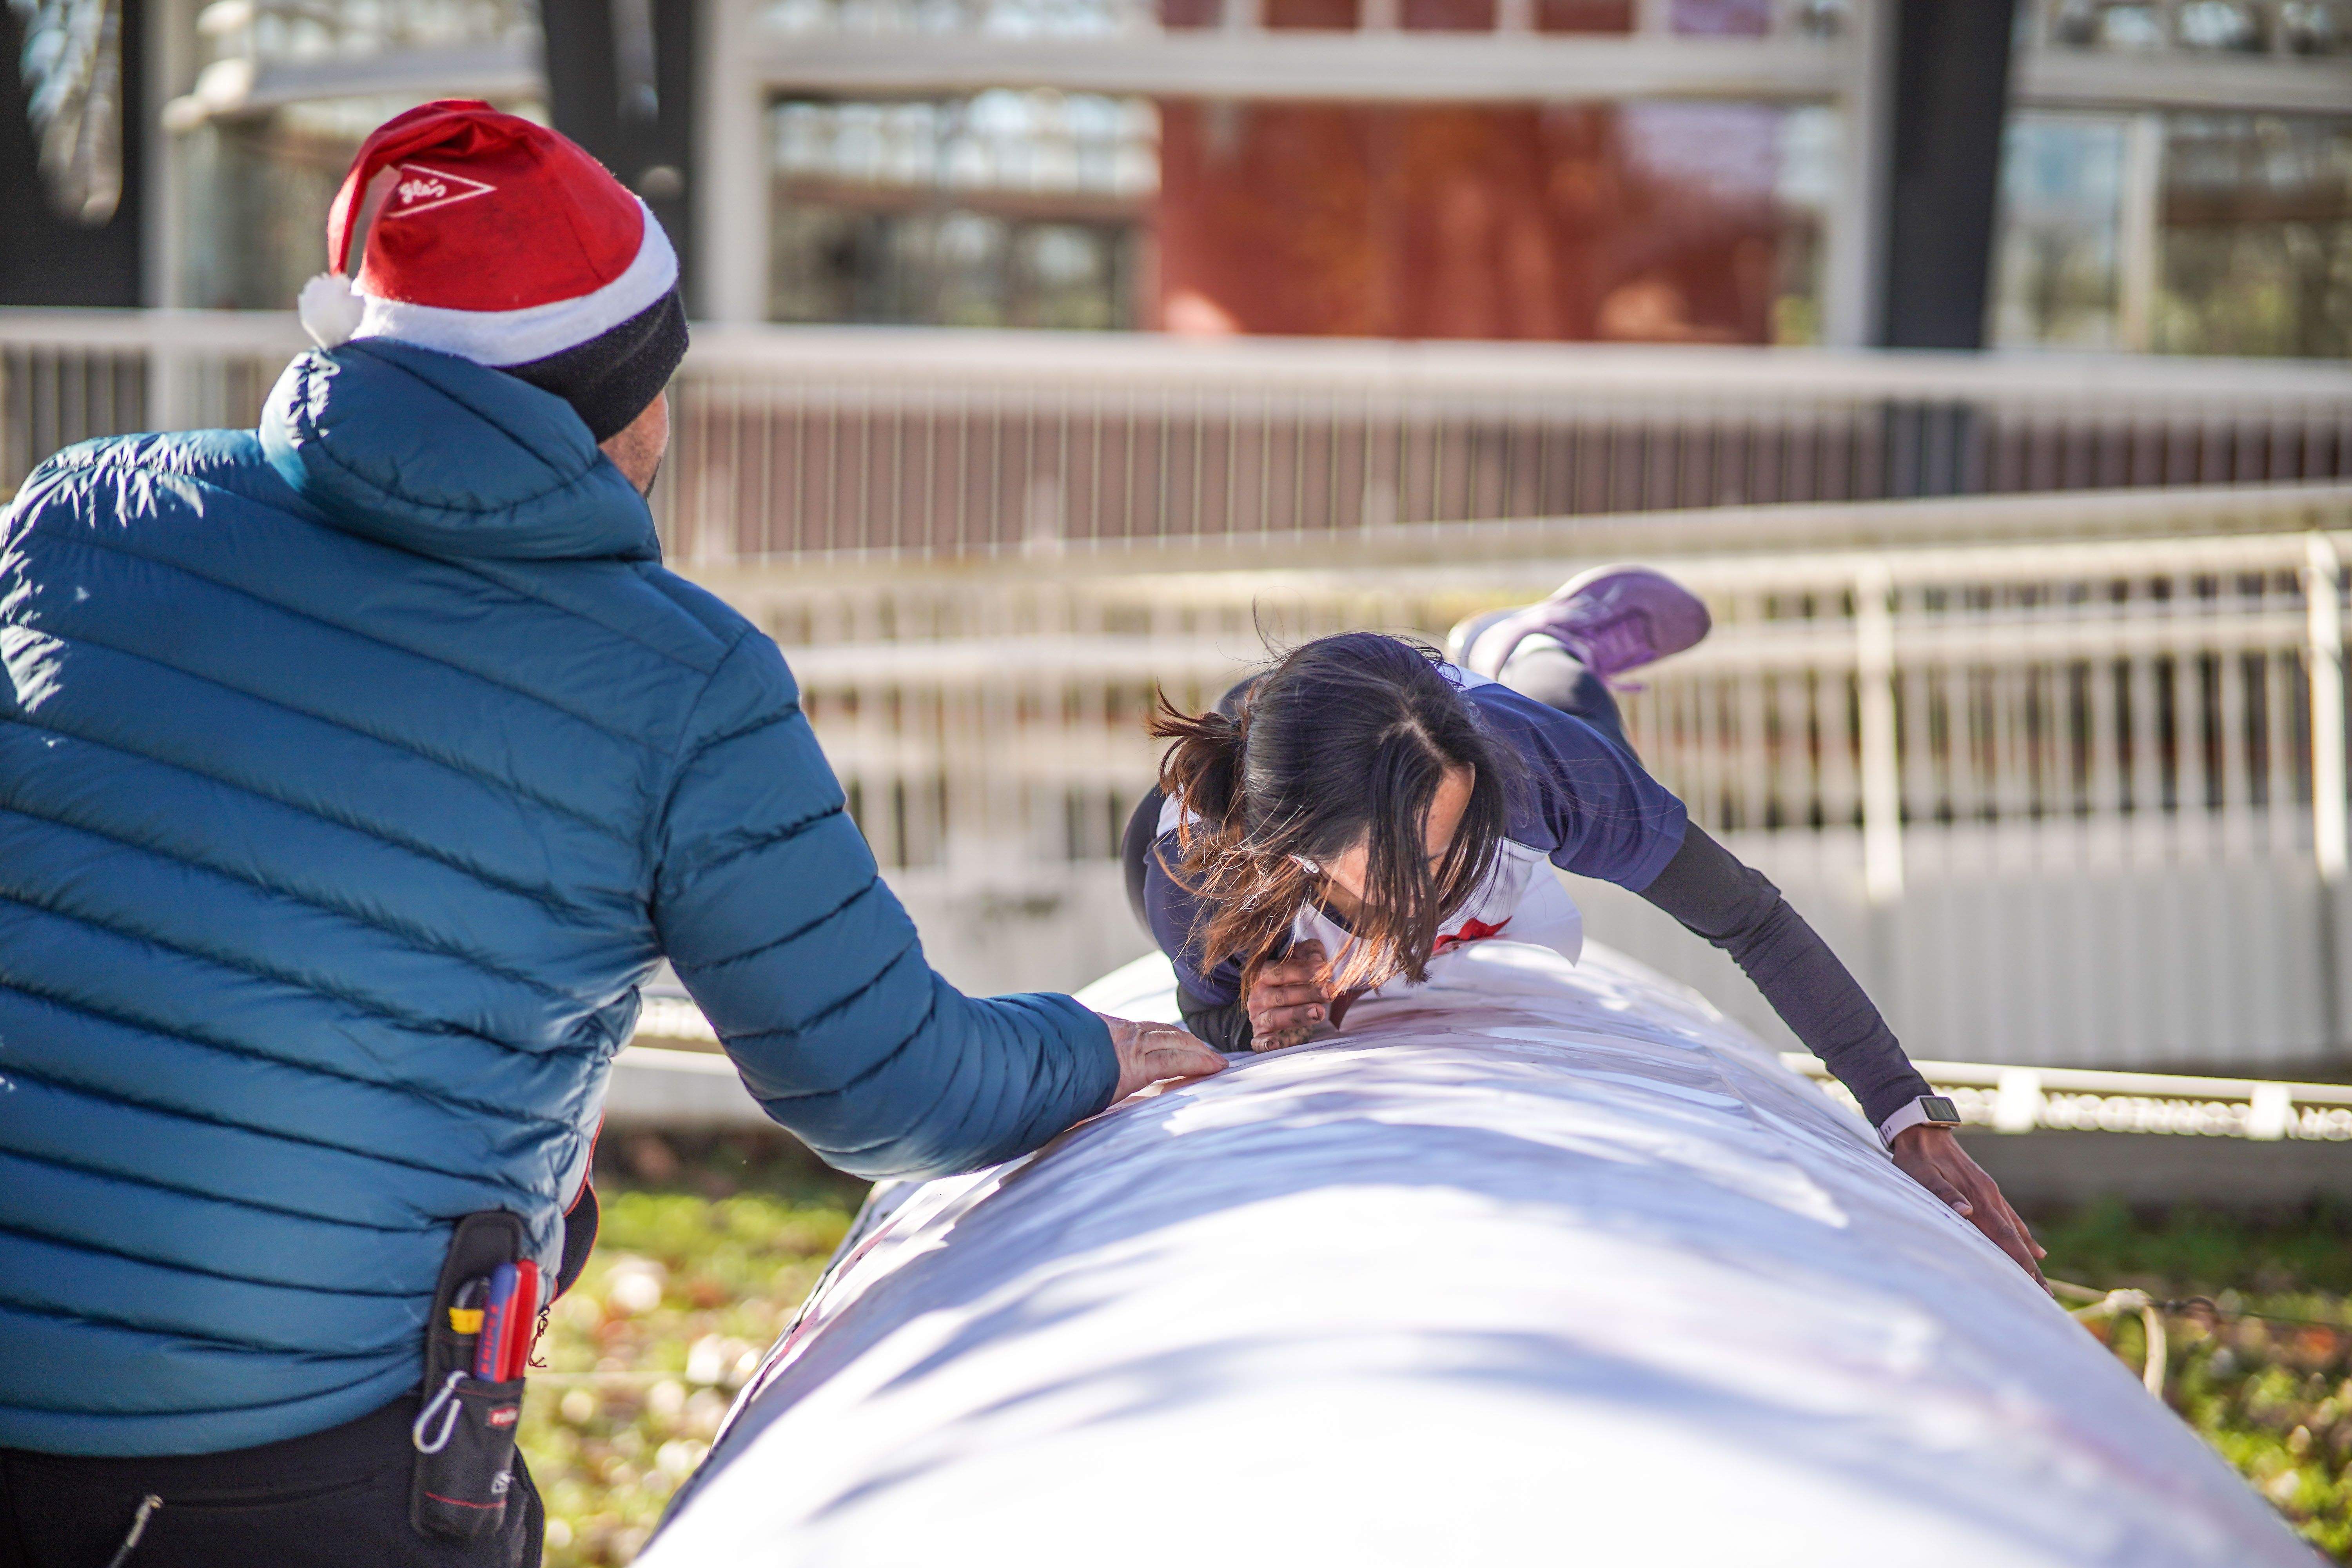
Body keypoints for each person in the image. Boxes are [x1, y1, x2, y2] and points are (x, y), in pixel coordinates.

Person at [0, 102, 1219, 1568]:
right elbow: (884, 1084)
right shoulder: (683, 683)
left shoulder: (81, 518)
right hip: (301, 1460)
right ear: (630, 404)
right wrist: (1104, 1048)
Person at [1124, 566, 2044, 1282]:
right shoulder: (1192, 871)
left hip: (1500, 724)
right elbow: (1205, 1020)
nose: (1428, 893)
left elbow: (1752, 921)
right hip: (1278, 796)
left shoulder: (1524, 767)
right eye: (1398, 873)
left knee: (1582, 731)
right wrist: (1252, 1009)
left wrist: (1904, 1114)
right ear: (1295, 850)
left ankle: (1535, 643)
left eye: (1447, 849)